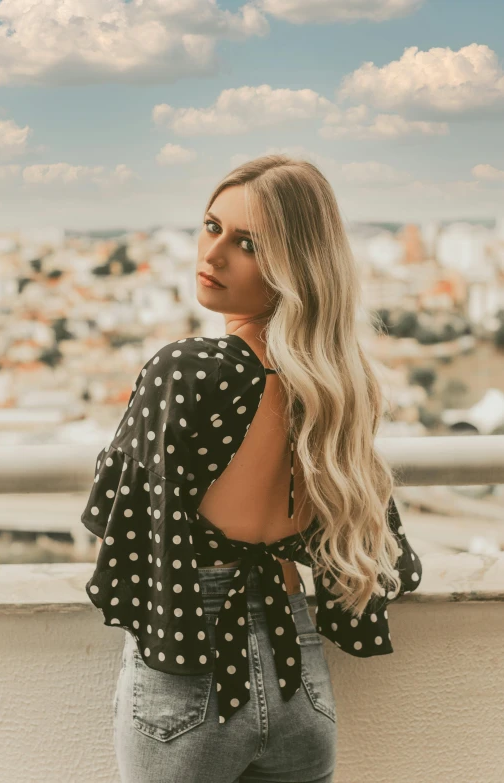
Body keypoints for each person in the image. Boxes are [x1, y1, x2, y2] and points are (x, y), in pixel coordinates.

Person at [81, 154, 422, 782]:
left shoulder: (189, 370)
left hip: (191, 658)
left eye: (248, 244)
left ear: (294, 267)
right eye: (212, 227)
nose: (212, 256)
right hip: (300, 670)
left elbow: (115, 521)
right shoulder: (337, 386)